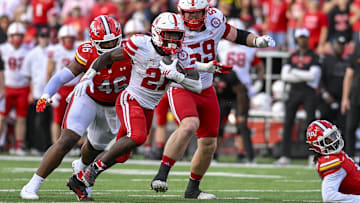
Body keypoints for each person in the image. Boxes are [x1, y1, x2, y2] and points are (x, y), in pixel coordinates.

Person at [65, 12, 229, 201]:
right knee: (138, 136)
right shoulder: (141, 44)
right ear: (158, 33)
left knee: (122, 155)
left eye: (177, 35)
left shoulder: (183, 54)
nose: (175, 40)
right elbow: (108, 57)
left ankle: (79, 180)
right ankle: (89, 172)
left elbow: (198, 86)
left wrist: (178, 77)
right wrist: (88, 76)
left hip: (148, 106)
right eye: (170, 35)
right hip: (131, 99)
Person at [150, 0, 275, 199]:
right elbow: (164, 57)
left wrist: (257, 41)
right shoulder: (173, 25)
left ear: (206, 11)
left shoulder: (215, 20)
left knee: (209, 143)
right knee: (190, 124)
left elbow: (237, 35)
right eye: (188, 13)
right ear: (180, 11)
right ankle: (161, 175)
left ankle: (192, 189)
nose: (191, 18)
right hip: (181, 85)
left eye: (197, 13)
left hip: (206, 88)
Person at [20, 15, 131, 200]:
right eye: (105, 44)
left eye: (114, 42)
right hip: (87, 98)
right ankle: (32, 185)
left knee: (95, 149)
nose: (111, 48)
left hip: (112, 107)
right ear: (93, 42)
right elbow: (61, 77)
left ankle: (81, 168)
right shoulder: (87, 52)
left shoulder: (132, 51)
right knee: (67, 139)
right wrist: (47, 94)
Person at [215, 18, 265, 163]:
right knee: (218, 124)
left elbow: (260, 66)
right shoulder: (221, 45)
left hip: (242, 90)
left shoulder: (248, 48)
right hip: (225, 89)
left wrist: (258, 84)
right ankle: (213, 155)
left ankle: (245, 155)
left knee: (242, 124)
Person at [275, 28, 321, 165]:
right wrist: (303, 75)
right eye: (300, 38)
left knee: (311, 124)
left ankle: (313, 156)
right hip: (294, 91)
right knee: (288, 122)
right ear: (296, 39)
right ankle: (285, 155)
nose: (302, 40)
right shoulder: (292, 56)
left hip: (308, 92)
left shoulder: (314, 56)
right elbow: (284, 76)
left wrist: (294, 72)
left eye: (304, 37)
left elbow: (314, 76)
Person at [306, 119, 360, 203]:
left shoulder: (335, 154)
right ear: (318, 145)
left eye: (334, 135)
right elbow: (329, 197)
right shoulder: (331, 162)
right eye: (328, 140)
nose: (334, 140)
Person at [0, 22, 30, 155]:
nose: (17, 38)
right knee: (1, 117)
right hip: (6, 87)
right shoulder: (3, 49)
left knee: (21, 118)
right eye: (14, 35)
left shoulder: (28, 49)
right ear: (9, 36)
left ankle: (19, 145)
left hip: (23, 86)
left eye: (19, 35)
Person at [46, 25, 79, 143]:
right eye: (66, 38)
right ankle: (55, 145)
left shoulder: (79, 48)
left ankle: (73, 146)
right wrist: (49, 92)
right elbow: (49, 72)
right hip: (60, 88)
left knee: (75, 119)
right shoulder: (55, 50)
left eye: (71, 38)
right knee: (57, 119)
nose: (69, 40)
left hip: (76, 87)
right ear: (61, 39)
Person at [22, 27, 52, 153]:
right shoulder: (32, 53)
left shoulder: (53, 51)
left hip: (52, 92)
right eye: (42, 36)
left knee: (52, 119)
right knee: (39, 120)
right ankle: (39, 146)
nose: (44, 39)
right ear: (38, 38)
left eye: (46, 36)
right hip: (38, 91)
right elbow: (29, 74)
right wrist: (31, 91)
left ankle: (50, 145)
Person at [318, 36, 348, 133]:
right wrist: (326, 95)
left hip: (341, 100)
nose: (340, 47)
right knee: (324, 128)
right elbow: (320, 80)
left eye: (342, 46)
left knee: (343, 127)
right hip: (327, 99)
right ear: (333, 46)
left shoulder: (347, 62)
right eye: (338, 45)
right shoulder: (326, 60)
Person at [341, 30, 360, 157]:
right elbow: (348, 76)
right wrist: (345, 98)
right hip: (356, 96)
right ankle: (350, 158)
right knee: (350, 127)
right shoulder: (355, 54)